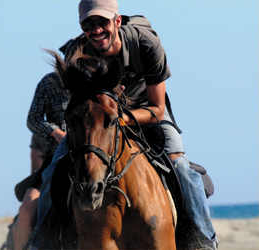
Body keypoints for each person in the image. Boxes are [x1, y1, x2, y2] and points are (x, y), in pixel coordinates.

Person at [31, 0, 218, 249]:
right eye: (88, 24)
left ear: (117, 21)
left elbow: (157, 108)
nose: (96, 29)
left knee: (181, 166)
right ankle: (41, 241)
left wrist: (121, 118)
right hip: (100, 118)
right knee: (51, 171)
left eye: (102, 22)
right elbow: (80, 101)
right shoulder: (78, 52)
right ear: (82, 27)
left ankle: (204, 240)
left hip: (146, 112)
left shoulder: (146, 44)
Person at [10, 42, 71, 249]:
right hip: (53, 161)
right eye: (64, 61)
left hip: (88, 160)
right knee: (28, 205)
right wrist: (54, 132)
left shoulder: (91, 84)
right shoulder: (47, 83)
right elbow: (32, 118)